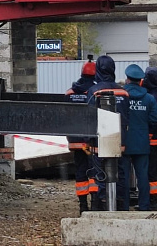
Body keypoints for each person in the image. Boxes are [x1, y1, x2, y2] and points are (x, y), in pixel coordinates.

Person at [119, 64, 157, 211]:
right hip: (142, 141)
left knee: (123, 176)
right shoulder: (149, 98)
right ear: (140, 81)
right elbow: (156, 118)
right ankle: (144, 205)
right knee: (142, 176)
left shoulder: (121, 96)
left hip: (123, 141)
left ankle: (123, 206)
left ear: (128, 79)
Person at [86, 55, 124, 210]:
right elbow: (126, 119)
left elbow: (89, 117)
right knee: (119, 174)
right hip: (119, 142)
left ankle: (101, 206)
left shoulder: (94, 91)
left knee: (100, 174)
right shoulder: (123, 92)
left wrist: (89, 141)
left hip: (98, 142)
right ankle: (120, 206)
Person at [65, 58, 97, 213]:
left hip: (75, 141)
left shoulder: (70, 92)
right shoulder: (95, 92)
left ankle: (83, 206)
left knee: (80, 172)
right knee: (94, 170)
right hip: (91, 141)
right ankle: (96, 203)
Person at [142, 66, 157, 210]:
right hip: (153, 138)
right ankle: (151, 199)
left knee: (151, 171)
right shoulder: (156, 92)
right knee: (149, 170)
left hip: (152, 139)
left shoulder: (156, 97)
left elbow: (153, 119)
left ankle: (154, 200)